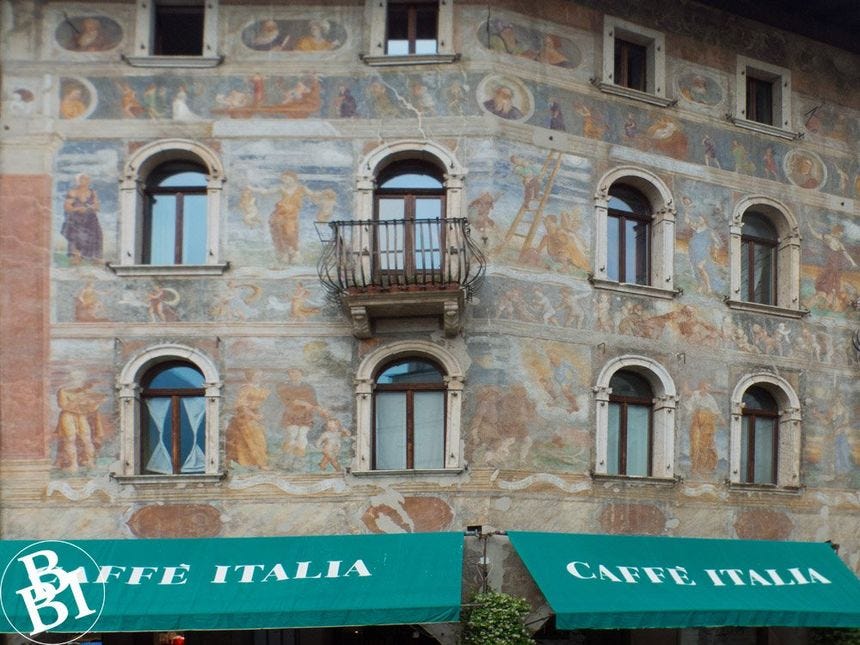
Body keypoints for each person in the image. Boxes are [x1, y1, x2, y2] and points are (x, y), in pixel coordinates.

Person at [62, 174, 102, 261]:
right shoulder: (73, 192)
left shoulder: (92, 193)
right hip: (76, 219)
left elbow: (97, 207)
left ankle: (94, 257)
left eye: (87, 180)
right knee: (76, 237)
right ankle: (76, 256)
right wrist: (77, 209)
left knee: (95, 236)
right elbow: (67, 207)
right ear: (78, 181)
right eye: (83, 179)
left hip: (90, 219)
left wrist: (92, 207)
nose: (86, 181)